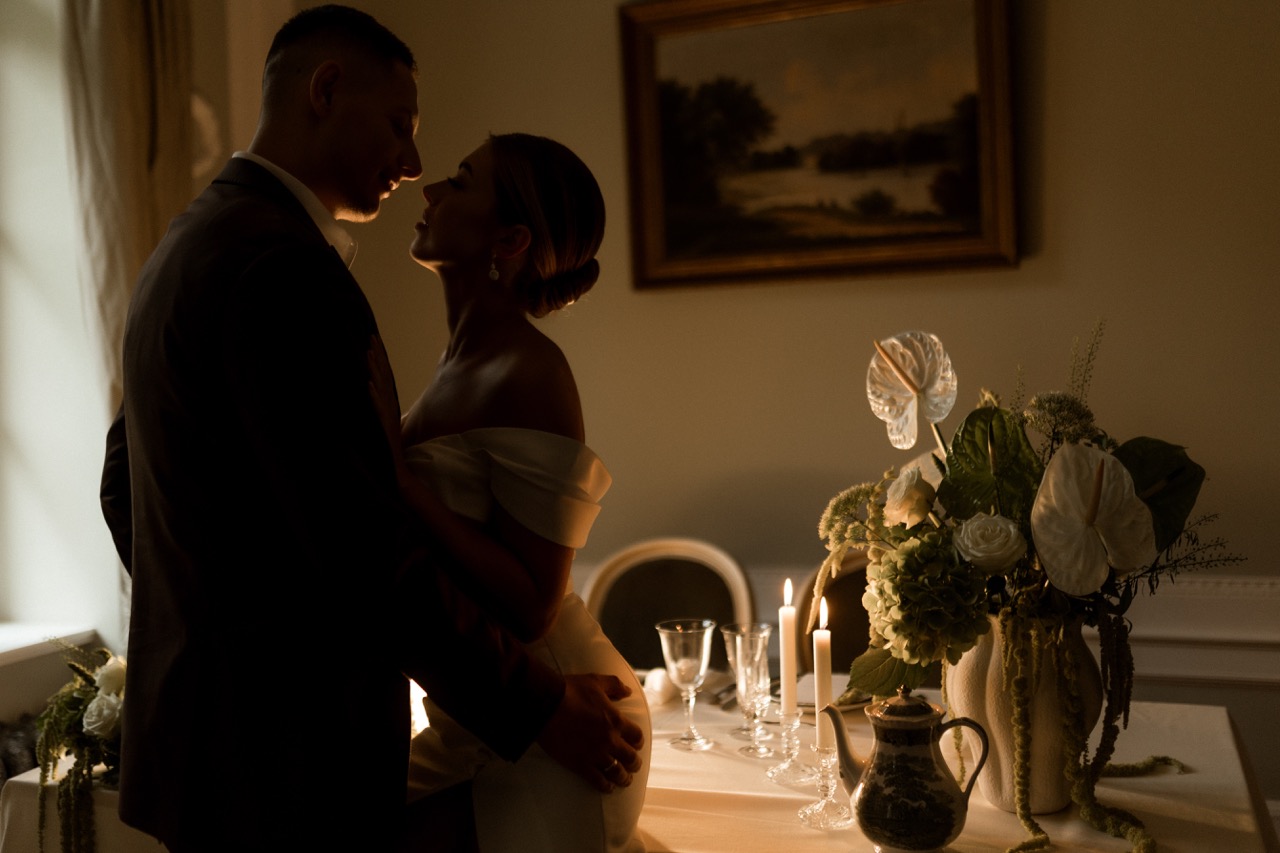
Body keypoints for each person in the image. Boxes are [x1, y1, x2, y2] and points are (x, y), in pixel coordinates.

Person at [98, 7, 641, 852]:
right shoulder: (283, 270)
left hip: (221, 749)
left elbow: (123, 484)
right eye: (401, 125)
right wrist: (532, 707)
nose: (415, 164)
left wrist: (214, 626)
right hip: (285, 757)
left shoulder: (192, 240)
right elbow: (360, 548)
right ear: (325, 90)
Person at [367, 132, 650, 852]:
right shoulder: (457, 362)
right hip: (483, 717)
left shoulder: (530, 370)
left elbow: (531, 605)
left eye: (460, 183)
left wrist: (400, 484)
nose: (430, 192)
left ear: (512, 238)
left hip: (564, 722)